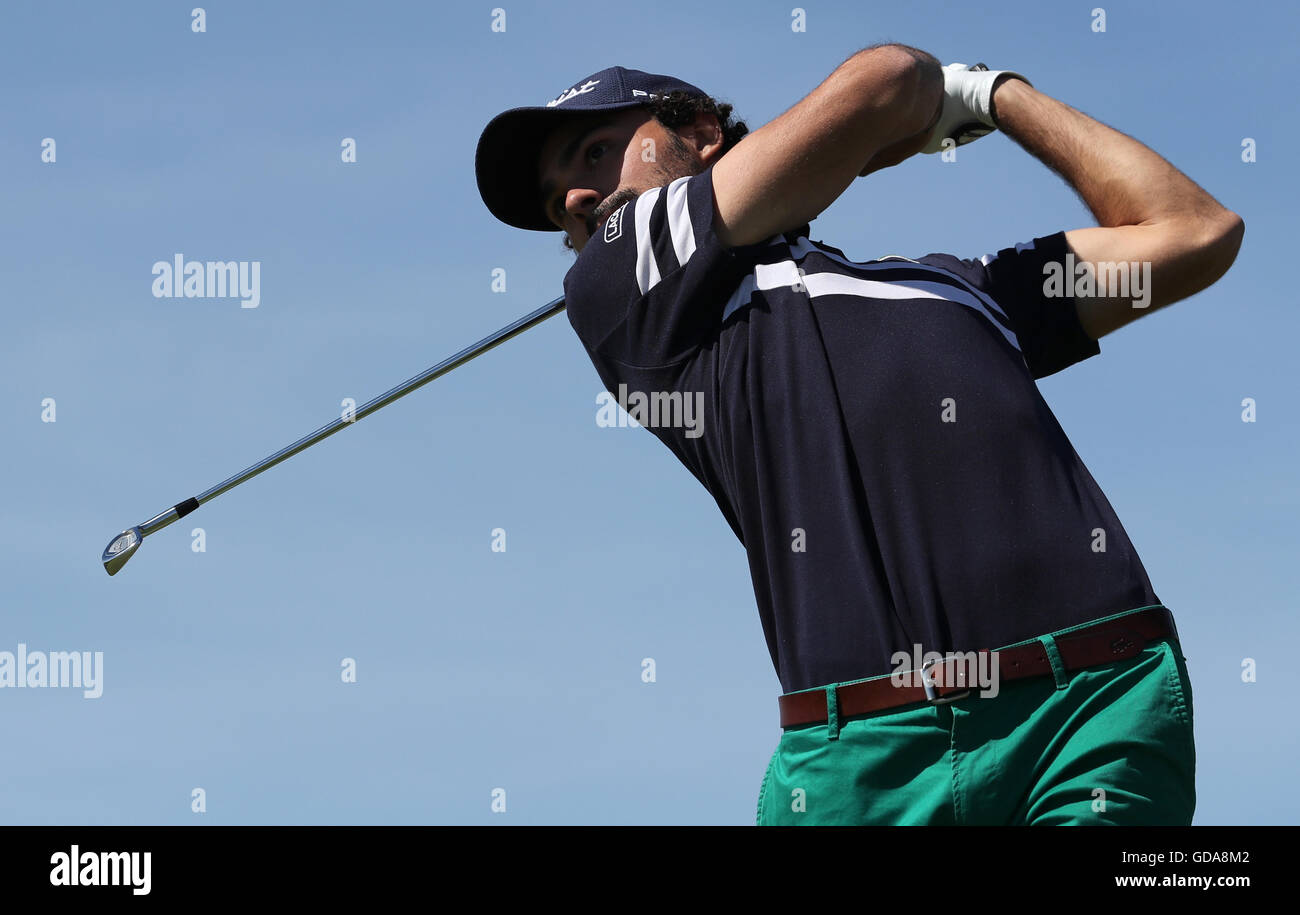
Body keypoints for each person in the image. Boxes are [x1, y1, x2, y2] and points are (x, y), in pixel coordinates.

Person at [473, 46, 1244, 825]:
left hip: (1089, 708)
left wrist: (997, 97)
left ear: (702, 131)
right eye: (554, 198)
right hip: (854, 762)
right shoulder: (617, 287)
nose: (573, 196)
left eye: (597, 152)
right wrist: (913, 114)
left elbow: (1193, 232)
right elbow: (886, 83)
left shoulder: (957, 288)